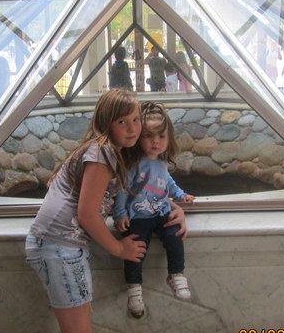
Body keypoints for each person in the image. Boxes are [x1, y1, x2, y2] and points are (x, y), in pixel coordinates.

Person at [25, 89, 187, 333]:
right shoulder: (102, 153)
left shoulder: (104, 151)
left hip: (57, 244)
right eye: (122, 122)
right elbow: (87, 214)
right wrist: (119, 248)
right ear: (105, 123)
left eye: (135, 120)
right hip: (58, 245)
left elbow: (144, 192)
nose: (132, 128)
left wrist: (176, 208)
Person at [113, 101, 195, 318]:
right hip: (138, 216)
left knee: (175, 237)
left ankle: (176, 274)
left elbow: (169, 184)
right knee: (135, 251)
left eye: (161, 136)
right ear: (139, 138)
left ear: (169, 139)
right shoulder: (133, 164)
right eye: (148, 136)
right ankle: (134, 289)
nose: (155, 142)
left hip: (161, 213)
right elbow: (123, 189)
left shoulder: (161, 164)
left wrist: (182, 196)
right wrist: (120, 214)